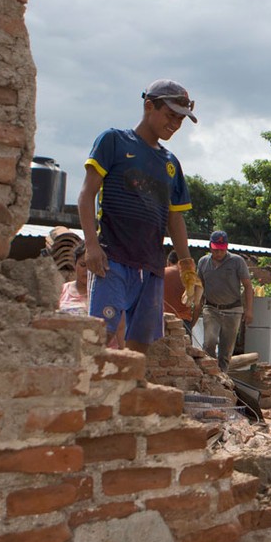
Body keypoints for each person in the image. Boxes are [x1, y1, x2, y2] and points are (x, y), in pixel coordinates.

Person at [77, 79, 204, 354]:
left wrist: (187, 268)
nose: (175, 124)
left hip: (151, 266)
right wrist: (91, 245)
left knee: (140, 348)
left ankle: (130, 393)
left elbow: (175, 219)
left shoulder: (170, 163)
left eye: (181, 119)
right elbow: (87, 195)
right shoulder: (114, 141)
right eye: (171, 115)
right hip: (113, 260)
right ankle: (91, 394)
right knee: (100, 337)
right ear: (149, 106)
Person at [197, 230, 254, 364]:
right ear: (210, 246)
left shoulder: (237, 261)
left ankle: (222, 378)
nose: (219, 253)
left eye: (222, 250)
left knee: (226, 349)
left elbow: (248, 286)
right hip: (211, 309)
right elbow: (199, 286)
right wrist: (197, 305)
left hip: (233, 310)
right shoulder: (203, 262)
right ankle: (209, 373)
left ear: (227, 247)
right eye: (216, 250)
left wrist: (249, 310)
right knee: (209, 343)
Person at [162, 250, 197, 338]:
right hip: (184, 321)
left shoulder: (163, 273)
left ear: (169, 262)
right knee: (184, 350)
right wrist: (192, 324)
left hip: (165, 321)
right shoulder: (191, 277)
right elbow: (197, 305)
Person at [59, 242, 89, 313]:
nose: (87, 271)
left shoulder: (100, 294)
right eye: (83, 265)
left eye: (92, 267)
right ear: (74, 265)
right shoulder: (62, 291)